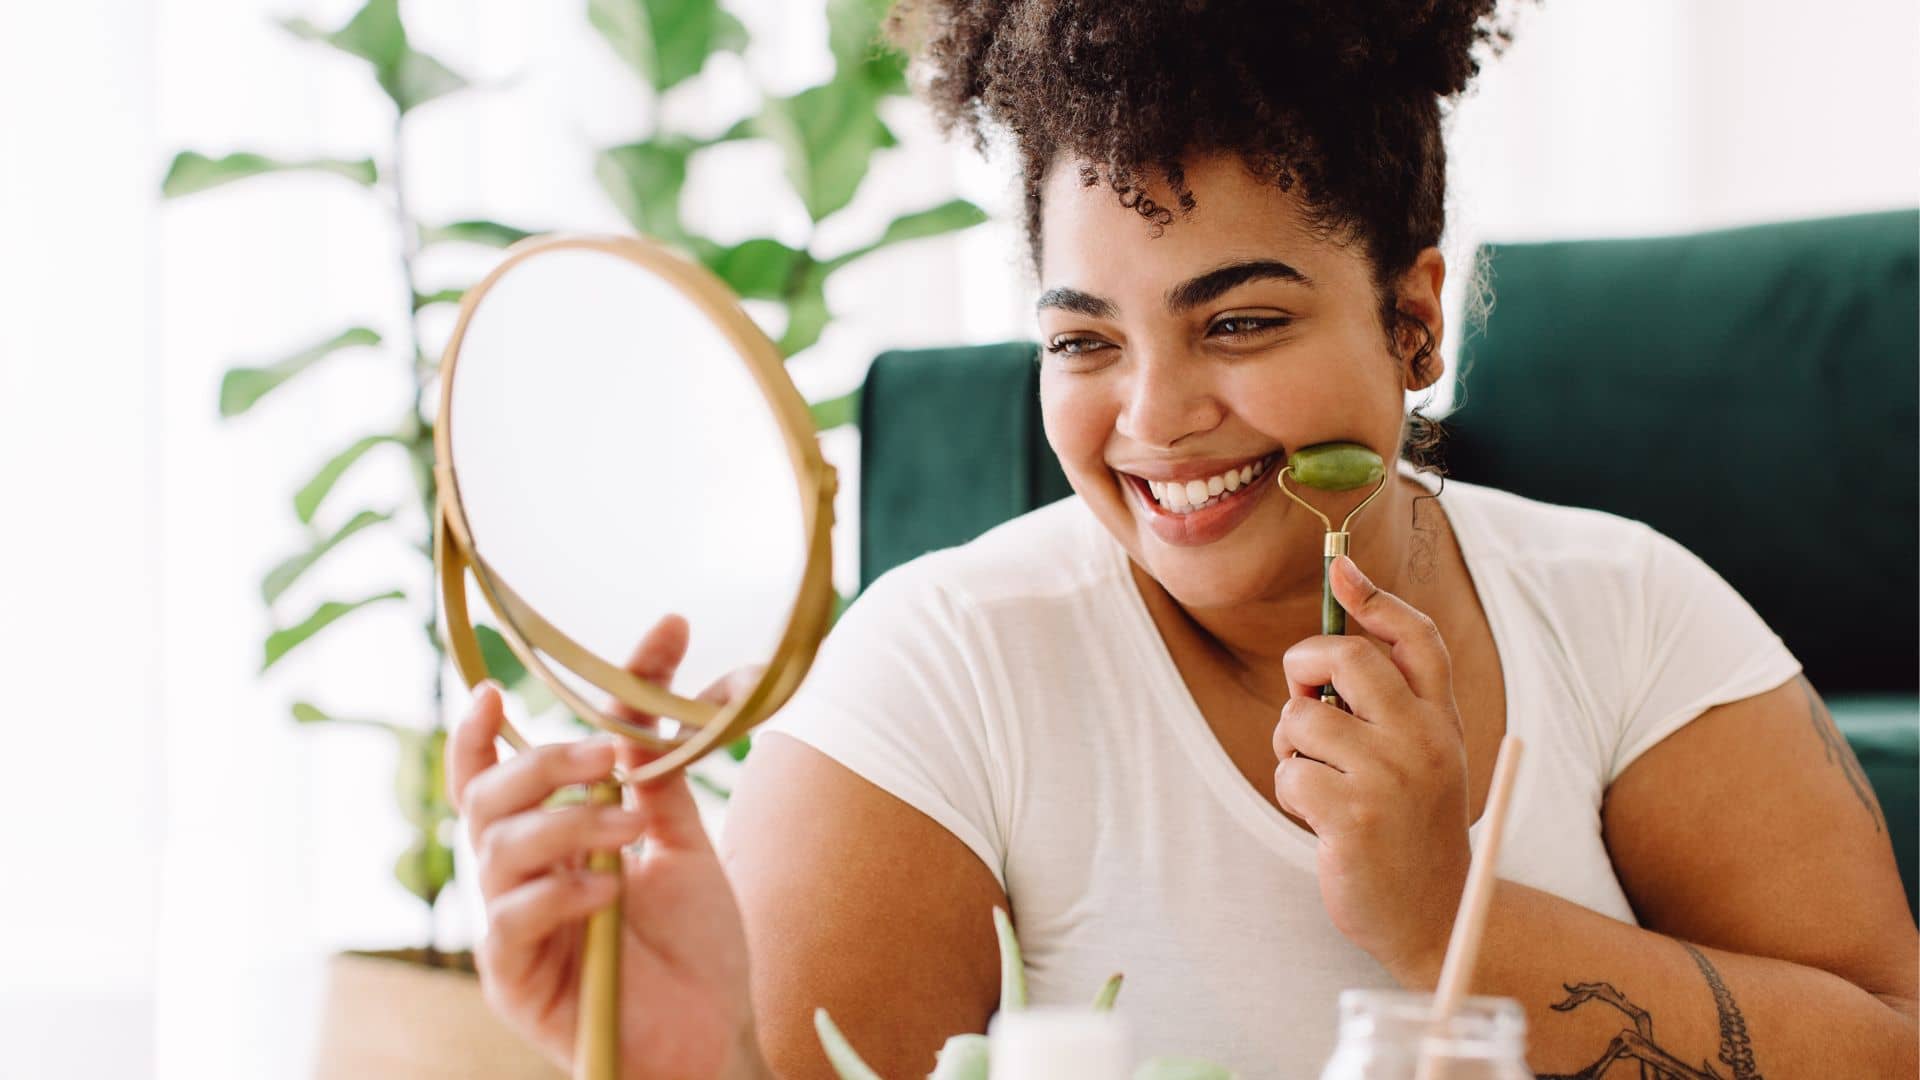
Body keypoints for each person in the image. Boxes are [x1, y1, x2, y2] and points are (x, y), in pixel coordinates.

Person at [446, 2, 1920, 1077]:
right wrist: (690, 1069)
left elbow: (1890, 1046)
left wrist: (1438, 923)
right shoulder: (950, 672)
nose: (1156, 419)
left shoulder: (1629, 615)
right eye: (1086, 343)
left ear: (1412, 320)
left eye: (1242, 321)